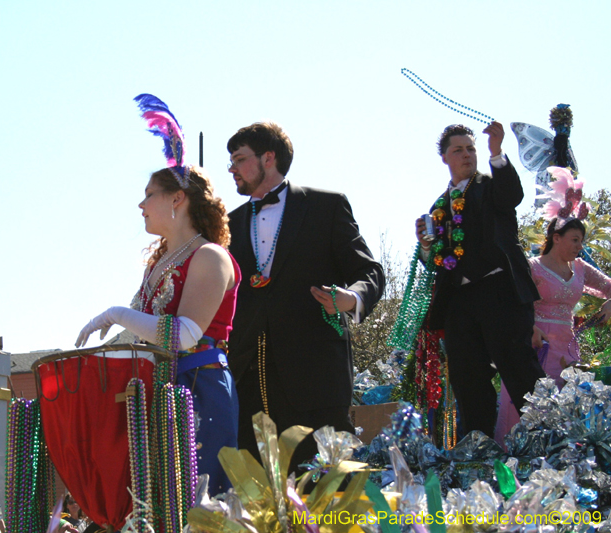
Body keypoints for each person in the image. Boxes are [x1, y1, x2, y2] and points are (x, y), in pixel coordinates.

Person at [225, 121, 385, 469]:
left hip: (317, 380)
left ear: (269, 158)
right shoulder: (227, 225)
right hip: (250, 383)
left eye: (238, 159)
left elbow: (369, 272)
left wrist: (350, 298)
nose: (231, 169)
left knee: (333, 492)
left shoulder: (326, 206)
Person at [76, 164, 241, 493]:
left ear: (177, 198)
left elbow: (185, 335)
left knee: (199, 506)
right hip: (156, 394)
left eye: (149, 195)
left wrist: (116, 314)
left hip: (199, 392)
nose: (141, 206)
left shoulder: (210, 256)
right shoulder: (158, 263)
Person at [414, 122, 546, 439]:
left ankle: (550, 439)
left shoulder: (491, 186)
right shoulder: (439, 207)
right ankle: (478, 448)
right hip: (459, 302)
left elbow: (513, 194)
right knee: (468, 378)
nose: (467, 154)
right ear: (445, 158)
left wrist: (497, 152)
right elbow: (434, 262)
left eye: (471, 148)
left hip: (500, 292)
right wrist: (426, 245)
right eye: (458, 150)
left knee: (519, 370)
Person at [494, 217, 611, 442]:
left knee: (565, 405)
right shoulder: (531, 267)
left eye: (582, 241)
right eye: (575, 240)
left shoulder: (581, 268)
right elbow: (508, 303)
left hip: (567, 348)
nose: (580, 246)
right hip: (535, 345)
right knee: (527, 403)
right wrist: (530, 327)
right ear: (556, 238)